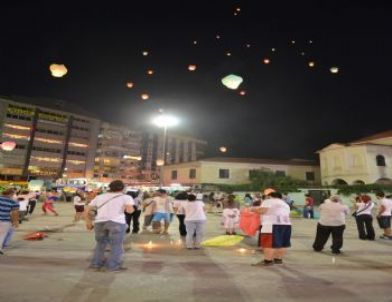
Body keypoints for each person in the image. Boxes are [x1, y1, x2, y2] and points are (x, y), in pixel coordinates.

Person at [85, 180, 134, 272]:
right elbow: (130, 211)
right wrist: (126, 207)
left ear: (110, 187)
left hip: (100, 223)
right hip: (117, 223)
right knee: (116, 245)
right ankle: (112, 266)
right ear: (123, 188)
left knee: (100, 244)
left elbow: (87, 210)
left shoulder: (100, 197)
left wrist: (88, 222)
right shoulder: (126, 197)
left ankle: (95, 264)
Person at [251, 191, 291, 266]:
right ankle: (278, 259)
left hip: (271, 224)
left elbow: (262, 210)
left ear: (270, 196)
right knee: (282, 243)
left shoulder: (268, 201)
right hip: (286, 224)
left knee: (268, 243)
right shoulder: (285, 204)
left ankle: (268, 261)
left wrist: (252, 209)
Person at [0, 189, 19, 255]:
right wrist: (15, 222)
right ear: (11, 194)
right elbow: (14, 213)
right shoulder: (14, 202)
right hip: (5, 221)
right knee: (1, 236)